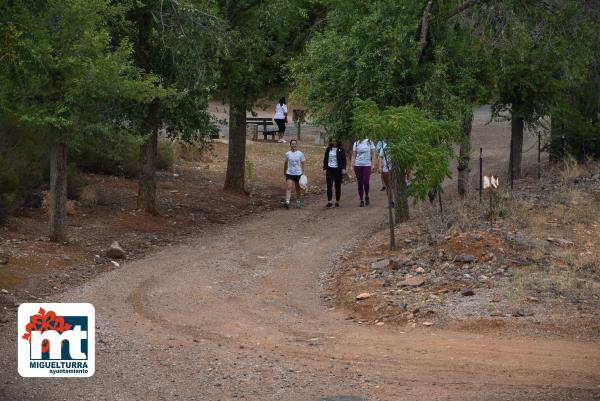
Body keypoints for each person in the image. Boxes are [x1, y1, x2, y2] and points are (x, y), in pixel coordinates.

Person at [351, 138, 377, 207]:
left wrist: (373, 164)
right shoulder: (356, 143)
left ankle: (367, 195)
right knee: (360, 182)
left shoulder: (369, 142)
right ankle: (361, 200)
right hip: (358, 164)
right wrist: (352, 165)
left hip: (367, 164)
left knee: (366, 182)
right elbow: (353, 155)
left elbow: (373, 153)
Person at [322, 139, 347, 208]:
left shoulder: (341, 149)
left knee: (337, 186)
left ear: (338, 141)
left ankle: (337, 202)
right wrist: (324, 169)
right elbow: (325, 159)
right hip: (329, 169)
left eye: (335, 141)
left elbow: (344, 160)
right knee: (329, 185)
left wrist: (344, 168)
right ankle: (329, 202)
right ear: (331, 142)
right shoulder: (328, 149)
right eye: (332, 141)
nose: (334, 142)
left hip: (338, 170)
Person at [283, 139, 305, 209]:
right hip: (289, 173)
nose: (293, 145)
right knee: (289, 187)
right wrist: (284, 171)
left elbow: (303, 163)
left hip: (298, 173)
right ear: (290, 145)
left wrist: (303, 173)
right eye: (292, 144)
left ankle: (298, 201)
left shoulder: (300, 153)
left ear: (296, 145)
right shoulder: (287, 154)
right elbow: (285, 163)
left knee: (297, 189)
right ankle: (287, 202)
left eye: (295, 143)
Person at [378, 140, 394, 205]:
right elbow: (380, 157)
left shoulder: (397, 144)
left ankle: (394, 200)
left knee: (393, 185)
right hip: (385, 169)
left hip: (394, 169)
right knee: (388, 186)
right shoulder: (384, 146)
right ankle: (390, 200)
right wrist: (380, 167)